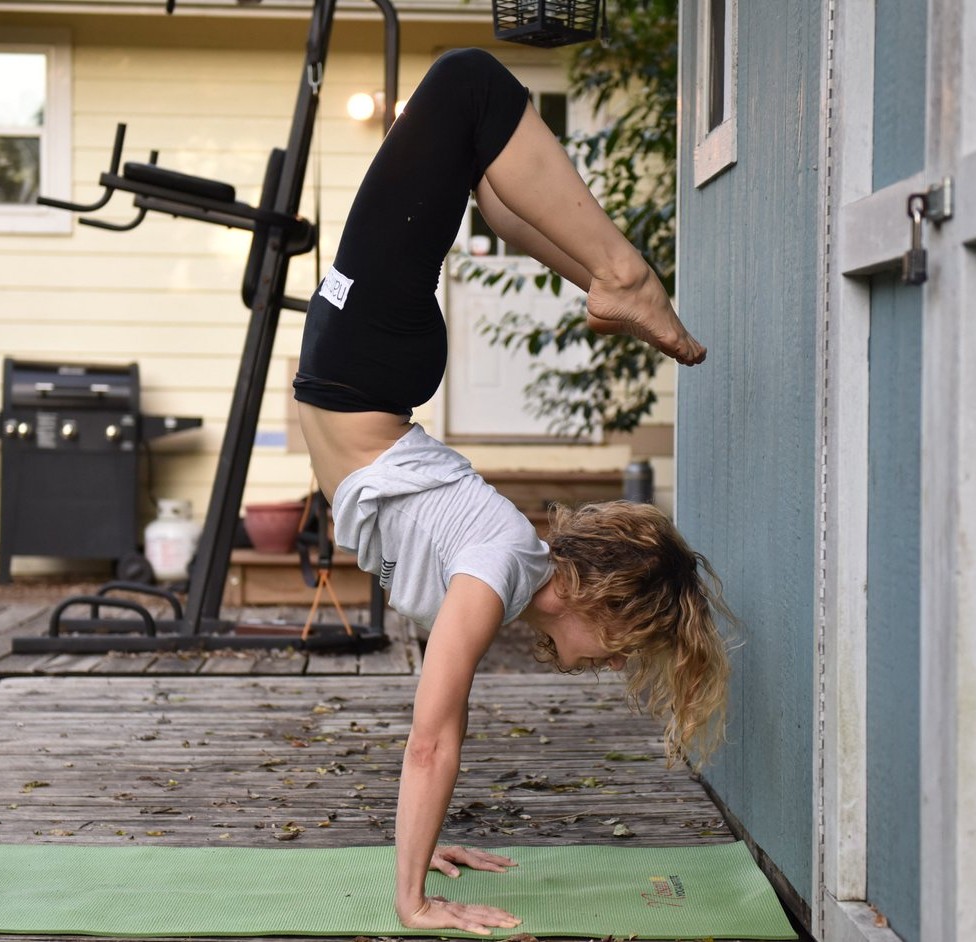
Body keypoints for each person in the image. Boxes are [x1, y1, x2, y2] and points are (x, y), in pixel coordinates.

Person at [293, 48, 730, 935]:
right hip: (361, 363)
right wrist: (413, 900)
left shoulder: (500, 573)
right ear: (598, 596)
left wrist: (424, 842)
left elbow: (435, 721)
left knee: (489, 180)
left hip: (361, 361)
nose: (615, 663)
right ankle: (622, 275)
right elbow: (433, 736)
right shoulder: (500, 565)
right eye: (627, 641)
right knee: (469, 87)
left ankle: (610, 280)